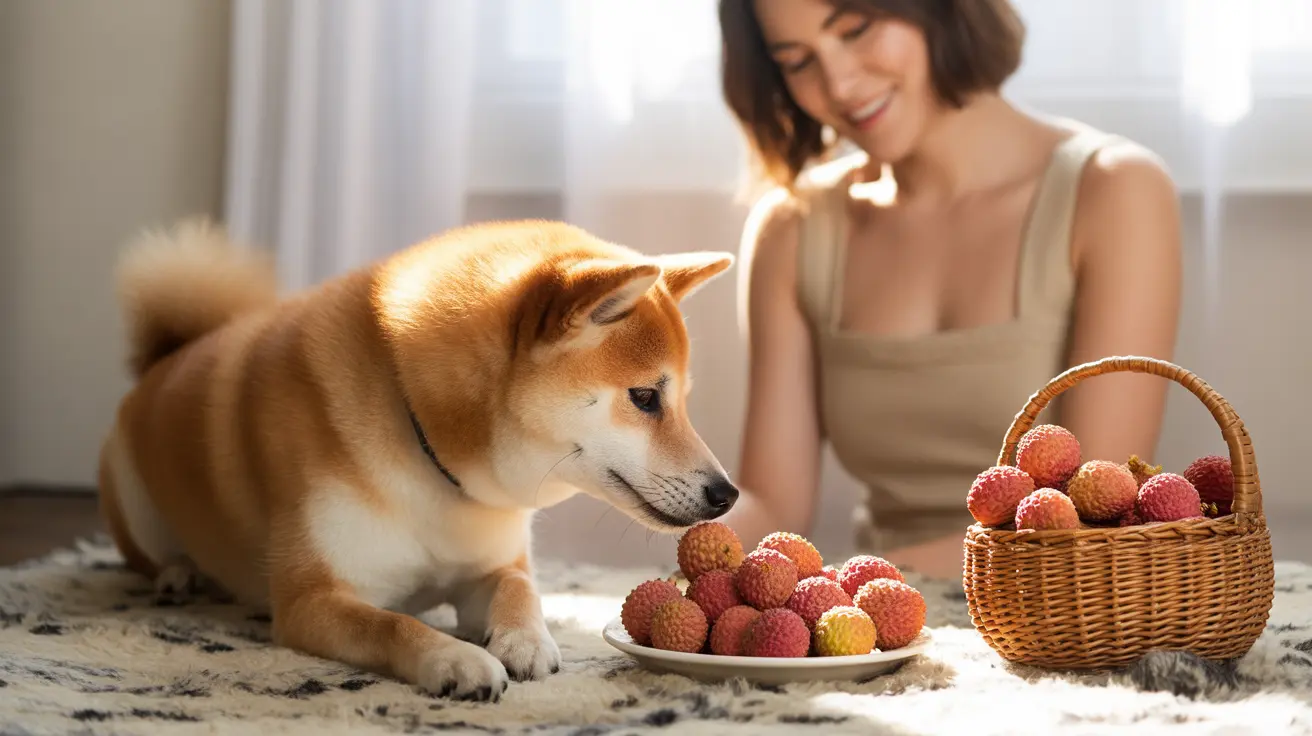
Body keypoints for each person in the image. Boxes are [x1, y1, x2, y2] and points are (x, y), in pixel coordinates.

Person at [715, 0, 1183, 579]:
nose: (838, 84)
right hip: (882, 614)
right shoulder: (793, 227)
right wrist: (669, 522)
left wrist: (852, 583)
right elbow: (773, 505)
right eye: (796, 61)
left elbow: (1090, 513)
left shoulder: (1116, 191)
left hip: (1053, 605)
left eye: (856, 30)